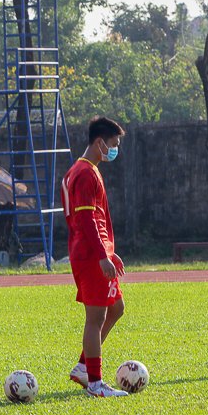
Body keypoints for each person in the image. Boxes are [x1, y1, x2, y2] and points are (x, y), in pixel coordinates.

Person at [61, 116, 128, 398]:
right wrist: (102, 255)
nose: (114, 149)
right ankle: (96, 383)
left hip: (95, 251)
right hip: (89, 254)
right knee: (96, 316)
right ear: (100, 142)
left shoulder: (83, 170)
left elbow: (95, 219)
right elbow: (86, 218)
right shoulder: (86, 172)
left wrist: (110, 252)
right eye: (113, 144)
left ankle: (82, 366)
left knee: (116, 308)